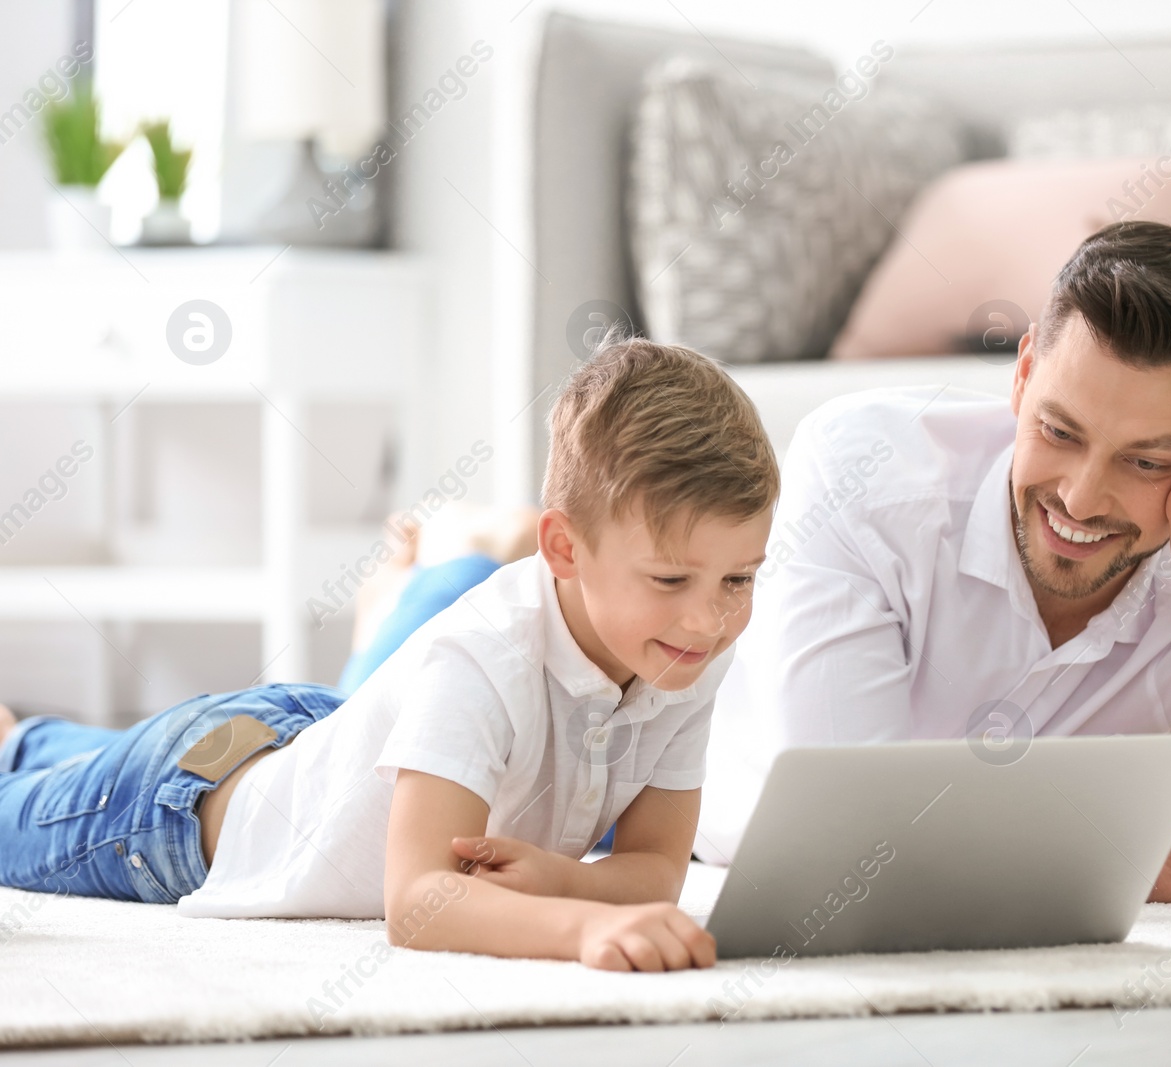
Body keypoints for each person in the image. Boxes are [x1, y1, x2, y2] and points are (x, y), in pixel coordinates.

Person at [0, 334, 779, 972]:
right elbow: (417, 903)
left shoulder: (682, 652)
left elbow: (656, 869)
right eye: (672, 577)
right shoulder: (485, 657)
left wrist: (562, 878)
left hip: (311, 733)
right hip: (180, 810)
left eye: (740, 577)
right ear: (564, 548)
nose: (712, 617)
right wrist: (577, 926)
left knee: (44, 755)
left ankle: (22, 737)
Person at [700, 221, 1171, 920]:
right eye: (1058, 432)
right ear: (1025, 371)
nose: (1080, 497)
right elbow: (850, 844)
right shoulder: (865, 476)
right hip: (640, 813)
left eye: (1148, 462)